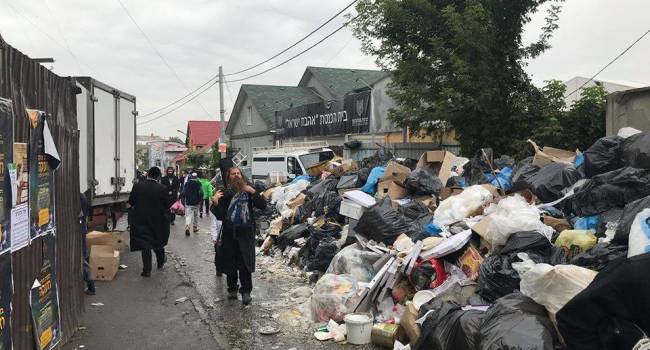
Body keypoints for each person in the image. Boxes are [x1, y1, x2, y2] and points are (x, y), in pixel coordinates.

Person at [211, 167, 266, 305]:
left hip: (246, 233)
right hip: (229, 233)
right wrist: (216, 202)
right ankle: (232, 289)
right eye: (233, 174)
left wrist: (252, 192)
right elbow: (220, 215)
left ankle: (246, 291)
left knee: (245, 263)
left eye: (238, 173)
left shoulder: (249, 190)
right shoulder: (224, 193)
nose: (236, 176)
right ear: (228, 177)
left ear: (242, 175)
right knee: (230, 262)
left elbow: (263, 205)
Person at [128, 167, 173, 277]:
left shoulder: (137, 186)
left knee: (145, 244)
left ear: (148, 174)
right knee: (157, 241)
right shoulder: (163, 188)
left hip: (140, 219)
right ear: (158, 176)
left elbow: (131, 202)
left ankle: (146, 270)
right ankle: (160, 261)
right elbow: (167, 204)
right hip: (158, 221)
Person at [80, 192, 96, 295]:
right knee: (83, 257)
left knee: (83, 260)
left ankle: (91, 286)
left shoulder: (78, 197)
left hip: (79, 230)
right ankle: (90, 285)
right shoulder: (82, 196)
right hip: (82, 229)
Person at [181, 172, 203, 236]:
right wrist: (200, 199)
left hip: (188, 202)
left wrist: (180, 197)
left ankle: (187, 227)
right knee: (196, 216)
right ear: (196, 177)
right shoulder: (198, 183)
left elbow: (183, 192)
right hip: (196, 202)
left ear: (191, 177)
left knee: (188, 216)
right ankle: (195, 228)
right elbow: (201, 192)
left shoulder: (187, 183)